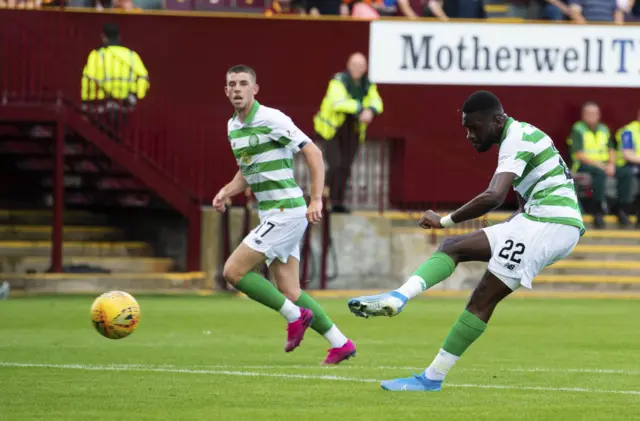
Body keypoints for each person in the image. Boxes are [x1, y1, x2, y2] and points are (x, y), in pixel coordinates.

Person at [347, 91, 584, 391]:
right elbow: (525, 197)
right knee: (454, 249)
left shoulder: (516, 138)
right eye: (466, 128)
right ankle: (398, 298)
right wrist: (508, 228)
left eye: (475, 127)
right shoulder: (523, 134)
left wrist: (444, 221)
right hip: (542, 222)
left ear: (497, 121)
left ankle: (431, 377)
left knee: (482, 297)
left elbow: (494, 196)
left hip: (550, 226)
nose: (470, 135)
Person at [213, 64, 356, 364]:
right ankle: (340, 343)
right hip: (272, 214)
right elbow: (247, 169)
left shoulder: (272, 118)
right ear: (226, 91)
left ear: (255, 89)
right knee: (290, 290)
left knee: (233, 271)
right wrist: (227, 191)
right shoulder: (233, 127)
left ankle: (295, 317)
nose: (237, 89)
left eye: (243, 83)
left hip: (287, 212)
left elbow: (313, 152)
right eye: (232, 84)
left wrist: (316, 199)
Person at [314, 52, 383, 213]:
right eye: (354, 65)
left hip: (353, 131)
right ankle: (322, 196)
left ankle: (337, 202)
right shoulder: (338, 81)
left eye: (361, 66)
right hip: (332, 131)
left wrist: (371, 111)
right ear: (348, 65)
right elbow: (337, 102)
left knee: (345, 167)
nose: (357, 69)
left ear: (365, 68)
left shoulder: (367, 85)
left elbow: (377, 101)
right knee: (335, 164)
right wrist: (360, 109)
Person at [568, 101, 632, 228]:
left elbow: (611, 150)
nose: (592, 116)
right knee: (599, 174)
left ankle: (621, 209)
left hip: (604, 164)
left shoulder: (604, 129)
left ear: (599, 115)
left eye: (594, 113)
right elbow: (579, 154)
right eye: (588, 113)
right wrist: (602, 166)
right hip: (584, 165)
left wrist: (611, 165)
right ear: (583, 115)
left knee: (626, 172)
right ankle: (598, 211)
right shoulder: (578, 129)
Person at [81, 23, 149, 135]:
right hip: (125, 105)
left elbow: (88, 79)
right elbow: (143, 78)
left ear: (103, 37)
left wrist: (85, 103)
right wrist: (136, 95)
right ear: (119, 36)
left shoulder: (97, 55)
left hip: (100, 105)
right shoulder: (131, 55)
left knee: (100, 139)